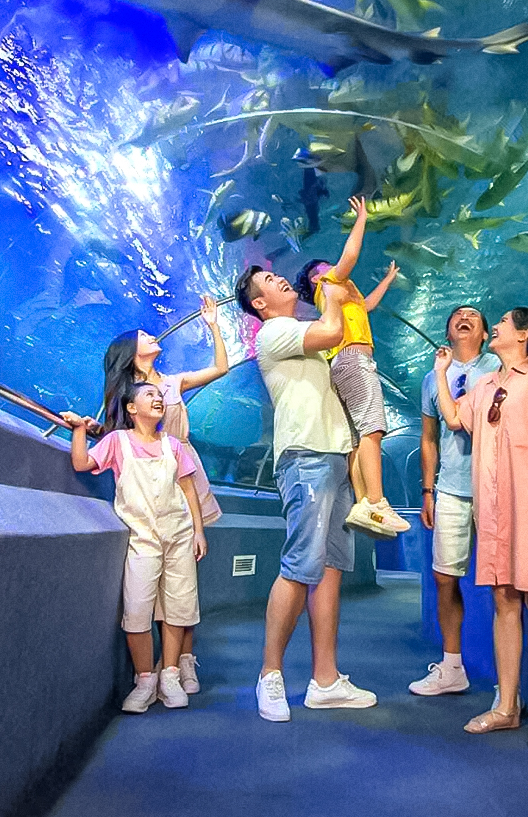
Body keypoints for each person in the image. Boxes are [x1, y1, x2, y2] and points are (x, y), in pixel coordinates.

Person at [433, 308, 528, 755]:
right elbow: (457, 418)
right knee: (503, 601)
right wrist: (441, 373)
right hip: (495, 511)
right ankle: (507, 705)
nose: (492, 326)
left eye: (499, 322)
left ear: (523, 335)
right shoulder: (487, 385)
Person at [236, 264, 378, 721]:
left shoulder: (298, 331)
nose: (280, 281)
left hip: (333, 455)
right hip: (305, 457)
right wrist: (330, 292)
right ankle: (270, 675)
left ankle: (325, 680)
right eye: (270, 283)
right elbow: (334, 328)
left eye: (280, 277)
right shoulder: (274, 332)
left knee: (331, 568)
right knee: (299, 566)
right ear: (259, 304)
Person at [100, 295, 230, 694]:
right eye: (142, 334)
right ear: (131, 351)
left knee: (185, 573)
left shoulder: (171, 383)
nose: (151, 334)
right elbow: (112, 434)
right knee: (157, 578)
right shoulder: (126, 393)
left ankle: (182, 660)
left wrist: (213, 325)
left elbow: (222, 368)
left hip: (182, 469)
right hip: (148, 480)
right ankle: (162, 665)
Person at [63, 382, 209, 714]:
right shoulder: (117, 441)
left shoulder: (172, 445)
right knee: (138, 609)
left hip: (179, 534)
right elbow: (81, 463)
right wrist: (80, 429)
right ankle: (145, 679)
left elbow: (189, 490)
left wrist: (199, 532)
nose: (158, 398)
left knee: (178, 606)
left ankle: (169, 674)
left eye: (160, 396)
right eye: (149, 395)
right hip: (142, 537)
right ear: (131, 408)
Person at [293, 195, 405, 540]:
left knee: (358, 437)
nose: (333, 268)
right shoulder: (329, 285)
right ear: (316, 279)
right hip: (355, 360)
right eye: (324, 267)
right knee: (373, 428)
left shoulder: (340, 299)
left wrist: (387, 279)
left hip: (343, 363)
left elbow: (365, 305)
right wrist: (362, 219)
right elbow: (351, 256)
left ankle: (361, 505)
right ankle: (377, 502)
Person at [409, 305, 502, 697]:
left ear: (484, 334)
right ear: (448, 331)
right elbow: (429, 438)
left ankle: (509, 681)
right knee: (444, 577)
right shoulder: (433, 377)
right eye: (457, 315)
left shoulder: (499, 365)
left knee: (504, 580)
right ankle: (451, 667)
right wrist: (427, 490)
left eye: (475, 316)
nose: (465, 318)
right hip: (450, 486)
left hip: (495, 484)